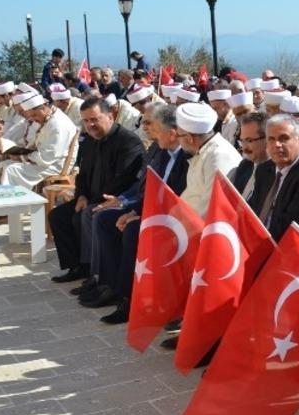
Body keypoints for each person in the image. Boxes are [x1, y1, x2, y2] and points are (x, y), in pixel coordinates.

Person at [91, 103, 191, 324]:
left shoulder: (187, 157)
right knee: (105, 219)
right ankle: (111, 286)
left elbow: (178, 199)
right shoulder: (162, 152)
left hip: (174, 219)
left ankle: (129, 299)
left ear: (172, 133)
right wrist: (133, 210)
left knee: (133, 229)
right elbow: (151, 191)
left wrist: (141, 217)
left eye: (154, 127)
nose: (150, 132)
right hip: (152, 210)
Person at [48, 96, 146, 298]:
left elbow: (123, 180)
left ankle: (96, 274)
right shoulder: (90, 141)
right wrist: (81, 195)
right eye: (86, 121)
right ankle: (77, 267)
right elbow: (82, 174)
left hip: (117, 199)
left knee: (88, 215)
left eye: (95, 119)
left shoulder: (128, 141)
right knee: (58, 215)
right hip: (91, 196)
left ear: (110, 116)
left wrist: (93, 201)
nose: (90, 125)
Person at [253, 114, 299, 240]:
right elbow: (253, 210)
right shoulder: (264, 170)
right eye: (271, 139)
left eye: (283, 138)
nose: (277, 144)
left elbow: (291, 227)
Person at [0, 94, 78, 190]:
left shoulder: (57, 125)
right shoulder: (47, 117)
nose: (34, 119)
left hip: (55, 165)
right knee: (4, 164)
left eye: (34, 115)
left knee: (11, 170)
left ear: (43, 108)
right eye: (31, 116)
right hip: (44, 161)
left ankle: (15, 198)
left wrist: (22, 157)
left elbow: (47, 158)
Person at [177, 102, 241, 217]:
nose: (177, 140)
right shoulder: (204, 151)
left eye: (178, 136)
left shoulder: (218, 156)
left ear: (189, 138)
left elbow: (209, 210)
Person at [229, 111, 270, 205]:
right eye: (242, 141)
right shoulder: (245, 166)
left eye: (249, 140)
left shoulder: (275, 174)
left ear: (267, 139)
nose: (244, 148)